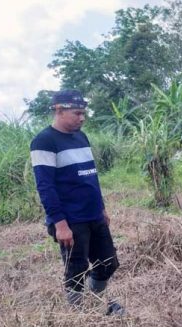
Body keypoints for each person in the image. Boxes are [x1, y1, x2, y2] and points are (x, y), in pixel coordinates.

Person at [30, 90, 123, 314]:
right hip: (71, 220)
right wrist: (60, 224)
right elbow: (46, 187)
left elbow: (91, 176)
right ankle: (78, 317)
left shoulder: (82, 137)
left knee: (108, 263)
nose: (82, 118)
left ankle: (94, 302)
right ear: (59, 110)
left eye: (84, 113)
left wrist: (101, 208)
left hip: (93, 214)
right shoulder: (44, 141)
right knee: (76, 270)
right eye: (77, 113)